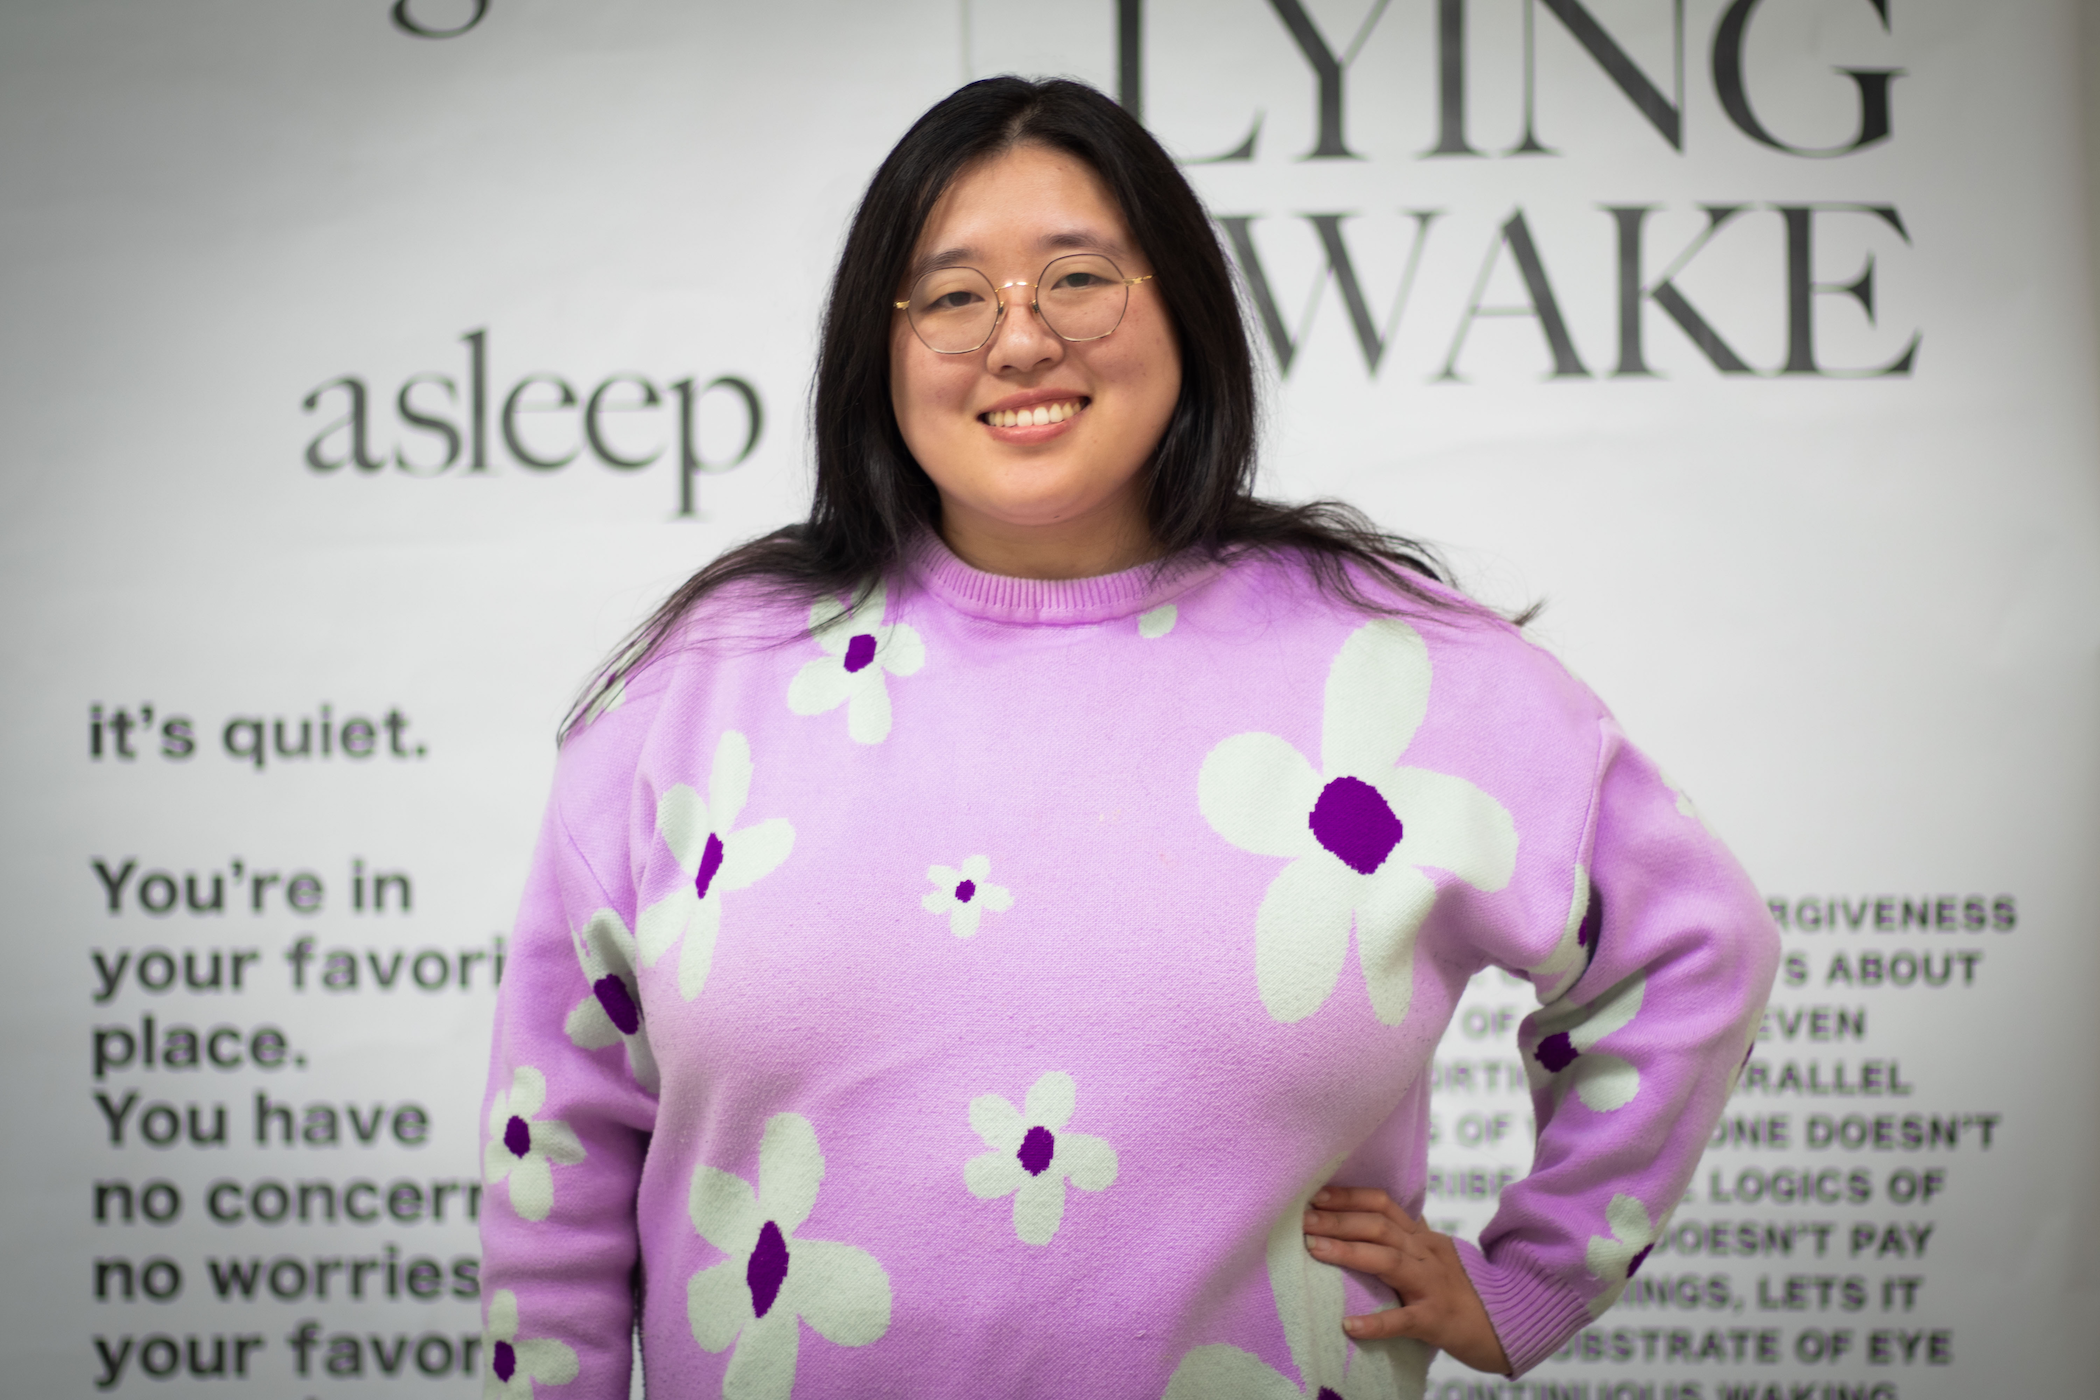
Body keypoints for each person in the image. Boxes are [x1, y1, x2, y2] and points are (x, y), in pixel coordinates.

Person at [477, 76, 1778, 1400]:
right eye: (953, 296)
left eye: (1078, 279)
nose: (1020, 339)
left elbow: (1691, 948)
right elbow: (558, 1160)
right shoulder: (701, 687)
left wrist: (1533, 1278)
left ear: (1181, 307)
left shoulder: (1399, 671)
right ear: (883, 345)